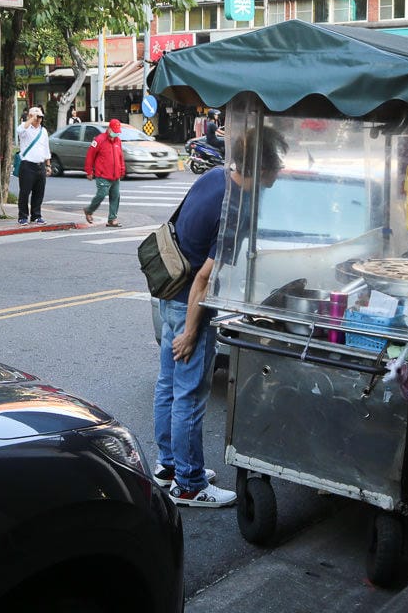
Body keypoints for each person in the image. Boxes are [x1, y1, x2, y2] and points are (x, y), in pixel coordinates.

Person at [154, 124, 288, 508]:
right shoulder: (236, 209)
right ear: (260, 169)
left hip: (169, 290)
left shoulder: (214, 176)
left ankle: (170, 467)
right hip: (189, 300)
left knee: (168, 385)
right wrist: (192, 332)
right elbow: (204, 277)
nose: (278, 175)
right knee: (190, 394)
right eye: (275, 168)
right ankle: (191, 484)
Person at [83, 119, 126, 227]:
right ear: (109, 129)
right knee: (101, 194)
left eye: (117, 131)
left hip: (115, 175)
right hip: (102, 175)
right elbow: (90, 156)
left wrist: (122, 169)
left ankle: (112, 219)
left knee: (115, 196)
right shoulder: (99, 140)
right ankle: (89, 210)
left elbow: (120, 157)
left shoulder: (118, 141)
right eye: (114, 130)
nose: (116, 133)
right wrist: (89, 171)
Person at [16, 106, 51, 225]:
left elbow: (46, 148)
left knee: (39, 192)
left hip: (40, 166)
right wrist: (31, 119)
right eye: (36, 116)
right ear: (29, 116)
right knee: (25, 193)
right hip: (27, 166)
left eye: (40, 116)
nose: (38, 118)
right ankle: (23, 216)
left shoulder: (44, 131)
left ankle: (36, 215)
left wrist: (48, 165)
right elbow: (19, 130)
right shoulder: (25, 129)